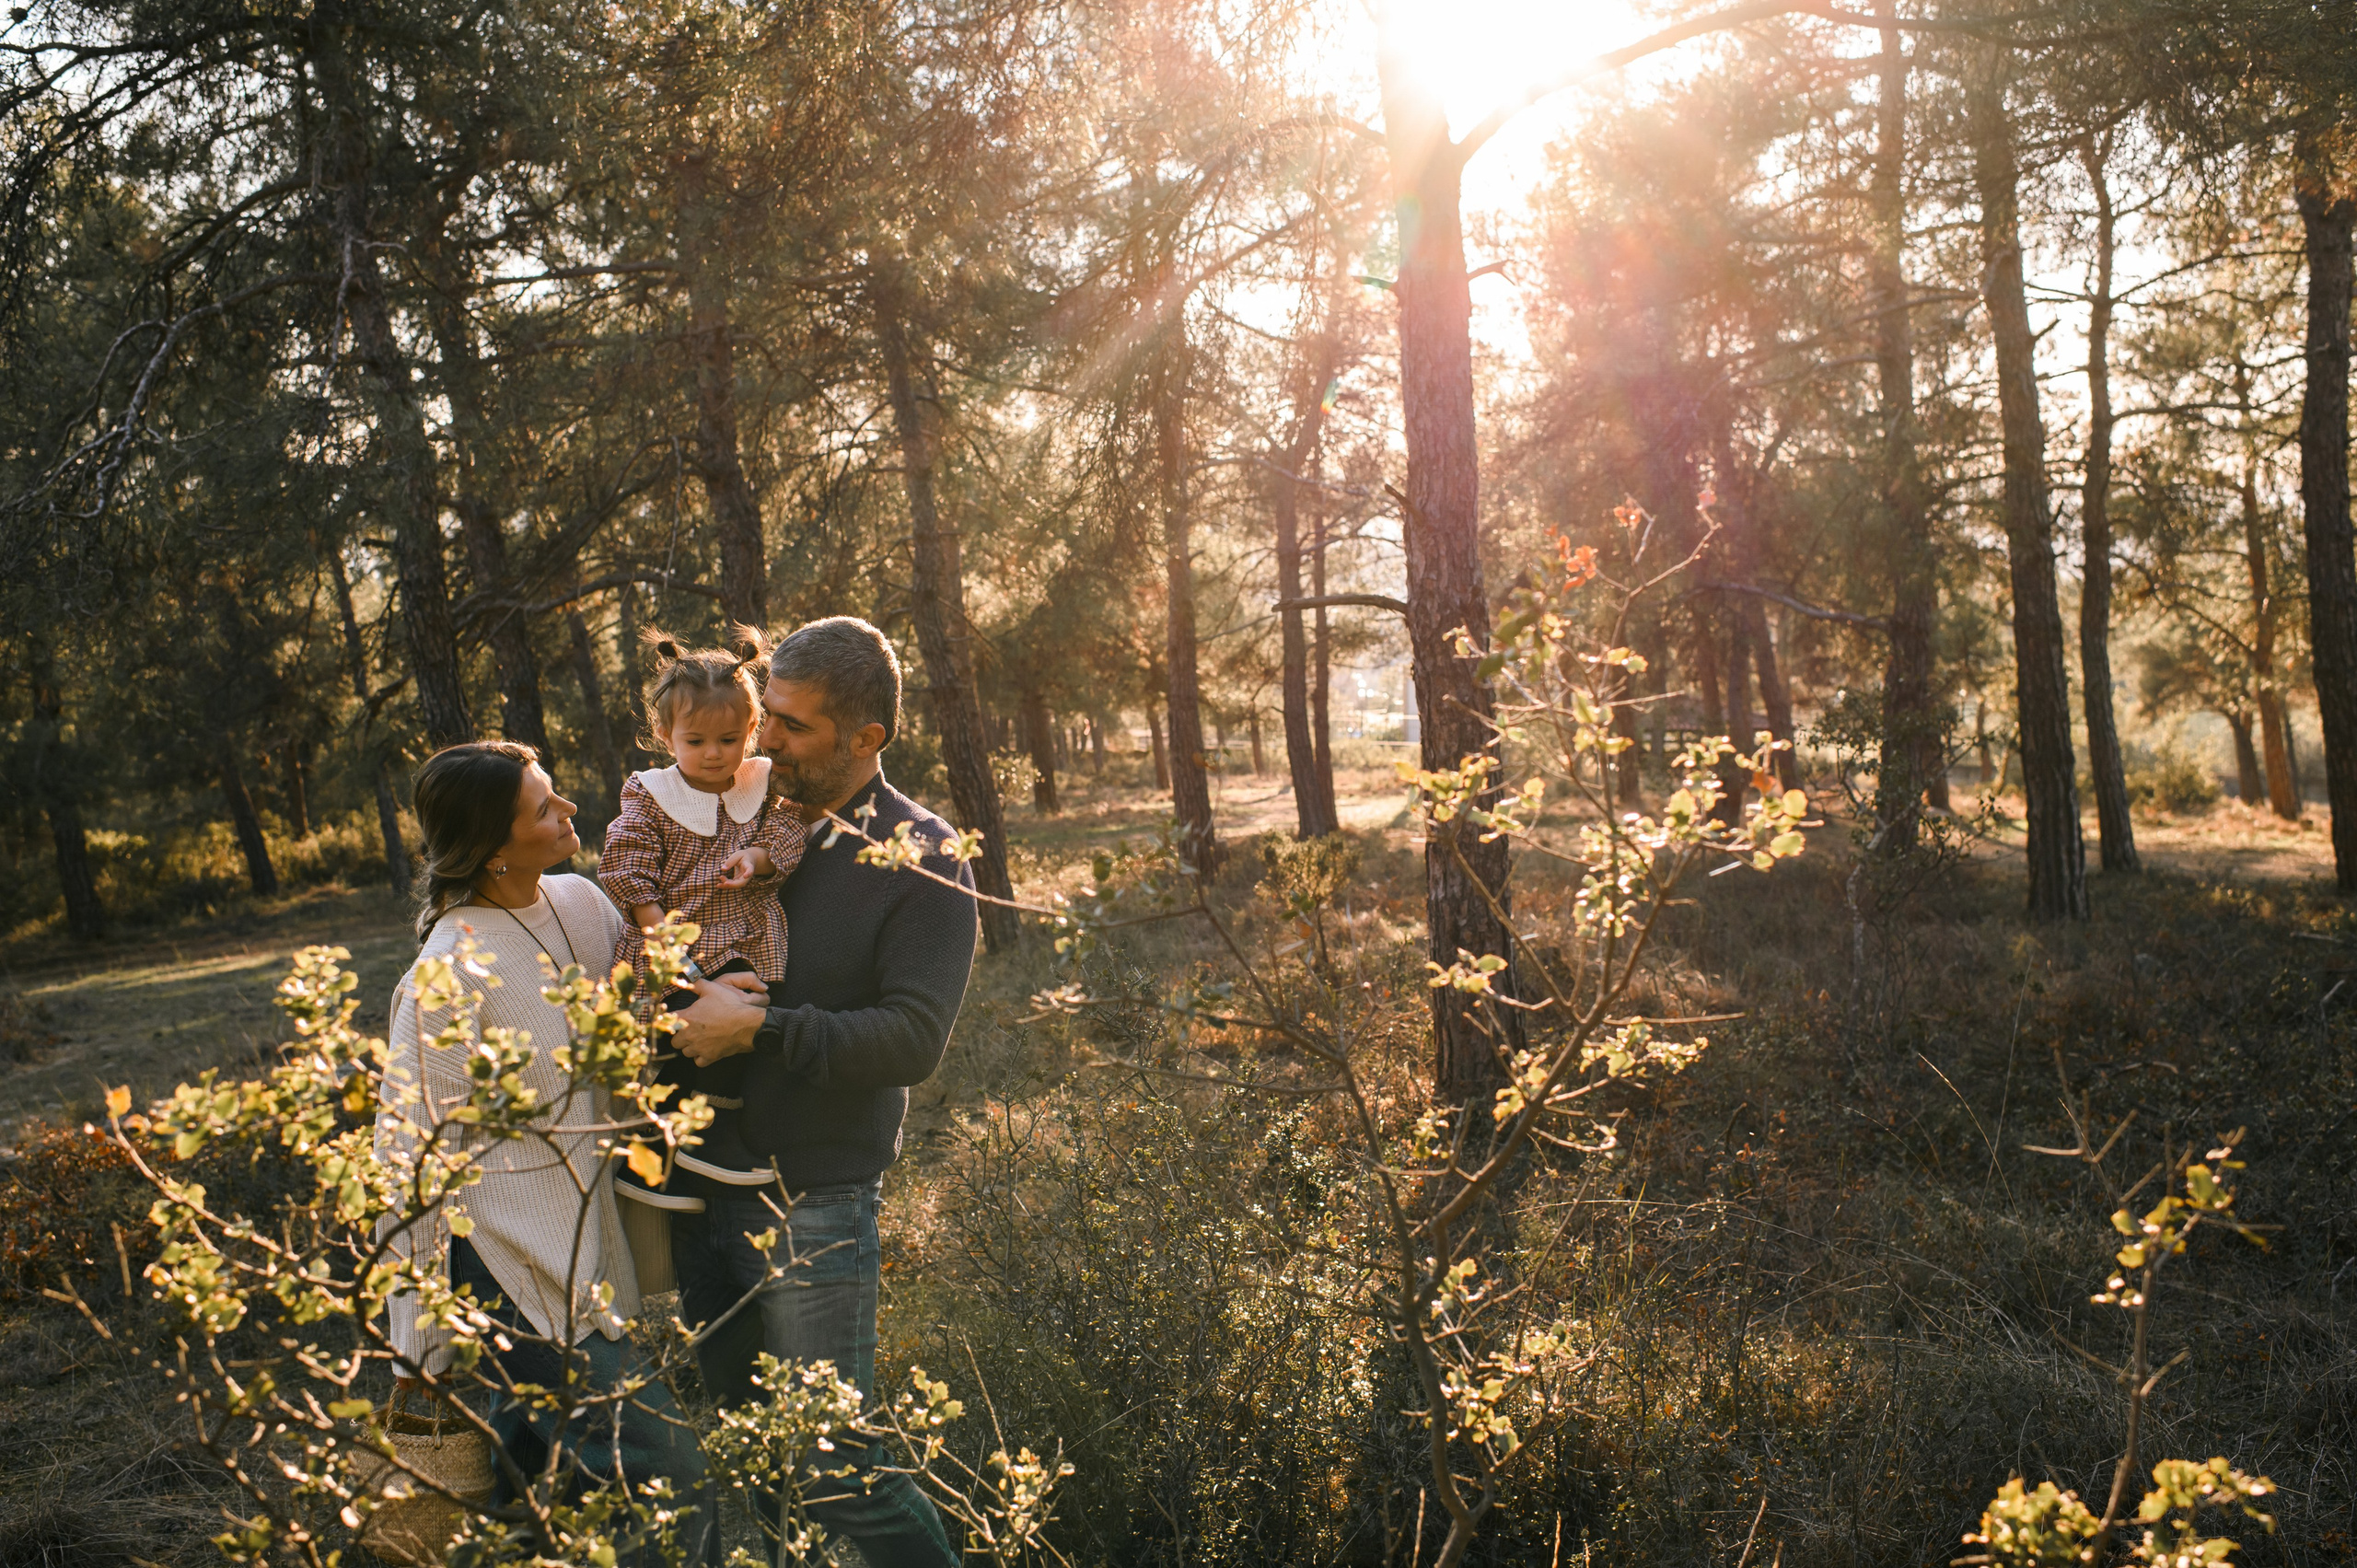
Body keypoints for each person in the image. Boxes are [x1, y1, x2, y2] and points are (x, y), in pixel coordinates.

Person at [670, 617, 979, 1568]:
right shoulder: (735, 818)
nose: (763, 741)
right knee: (742, 1450)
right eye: (769, 717)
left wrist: (761, 1026)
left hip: (814, 1199)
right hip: (698, 1187)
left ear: (865, 738)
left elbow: (912, 1039)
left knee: (831, 1455)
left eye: (793, 727)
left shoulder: (920, 857)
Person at [375, 740, 714, 1565]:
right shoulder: (446, 976)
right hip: (513, 1277)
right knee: (669, 1478)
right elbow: (411, 1161)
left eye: (557, 795)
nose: (568, 812)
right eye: (543, 808)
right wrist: (419, 1349)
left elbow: (645, 1003)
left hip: (594, 1248)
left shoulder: (581, 903)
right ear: (493, 847)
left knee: (541, 1502)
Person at [598, 626, 808, 1206]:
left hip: (741, 932)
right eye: (696, 741)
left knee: (738, 1020)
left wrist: (761, 857)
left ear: (752, 730)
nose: (715, 754)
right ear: (665, 735)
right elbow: (624, 863)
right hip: (668, 934)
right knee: (673, 1041)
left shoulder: (761, 784)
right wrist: (662, 936)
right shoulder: (650, 793)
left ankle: (710, 1142)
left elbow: (788, 830)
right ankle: (655, 1160)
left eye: (729, 739)